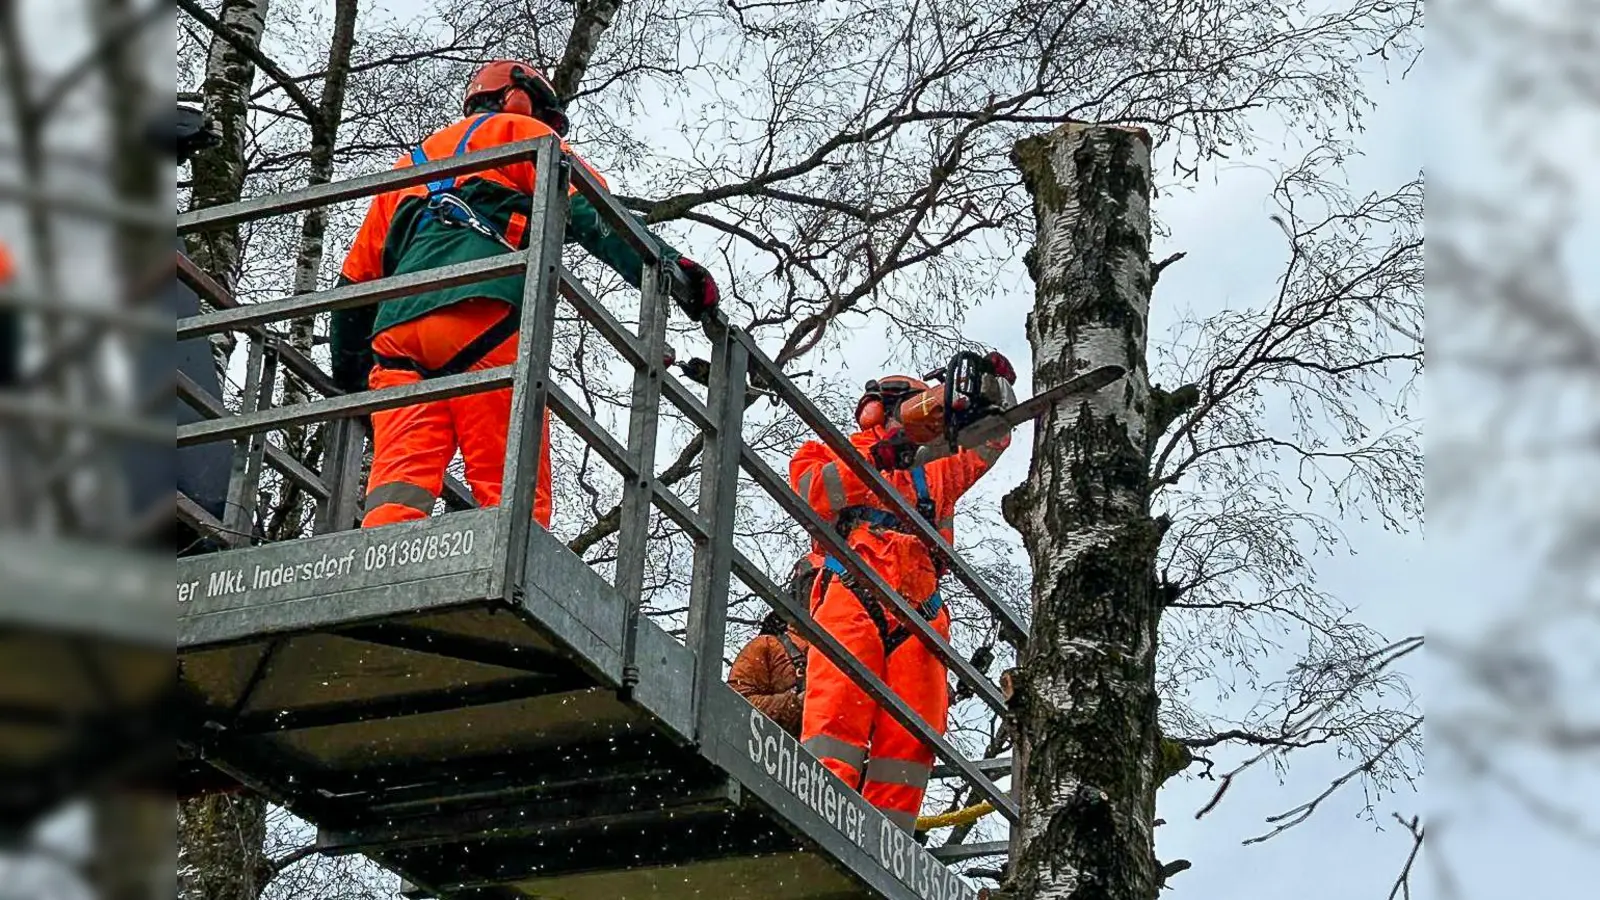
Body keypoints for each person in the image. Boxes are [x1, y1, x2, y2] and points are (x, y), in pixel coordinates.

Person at [330, 60, 720, 529]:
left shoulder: (409, 165)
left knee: (399, 483)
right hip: (482, 315)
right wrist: (673, 268)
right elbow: (593, 213)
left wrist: (351, 383)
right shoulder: (521, 133)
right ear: (518, 98)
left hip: (396, 339)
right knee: (510, 482)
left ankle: (382, 572)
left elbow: (354, 285)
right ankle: (513, 572)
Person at [788, 353, 1015, 831]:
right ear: (883, 410)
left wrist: (991, 389)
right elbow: (813, 490)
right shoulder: (828, 449)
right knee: (837, 715)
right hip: (855, 587)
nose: (929, 417)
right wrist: (876, 457)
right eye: (921, 407)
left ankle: (887, 839)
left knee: (915, 733)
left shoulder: (937, 467)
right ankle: (819, 820)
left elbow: (995, 435)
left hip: (921, 608)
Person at [727, 605, 811, 737]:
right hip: (773, 747)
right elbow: (736, 705)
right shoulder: (765, 645)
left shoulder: (832, 651)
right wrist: (795, 703)